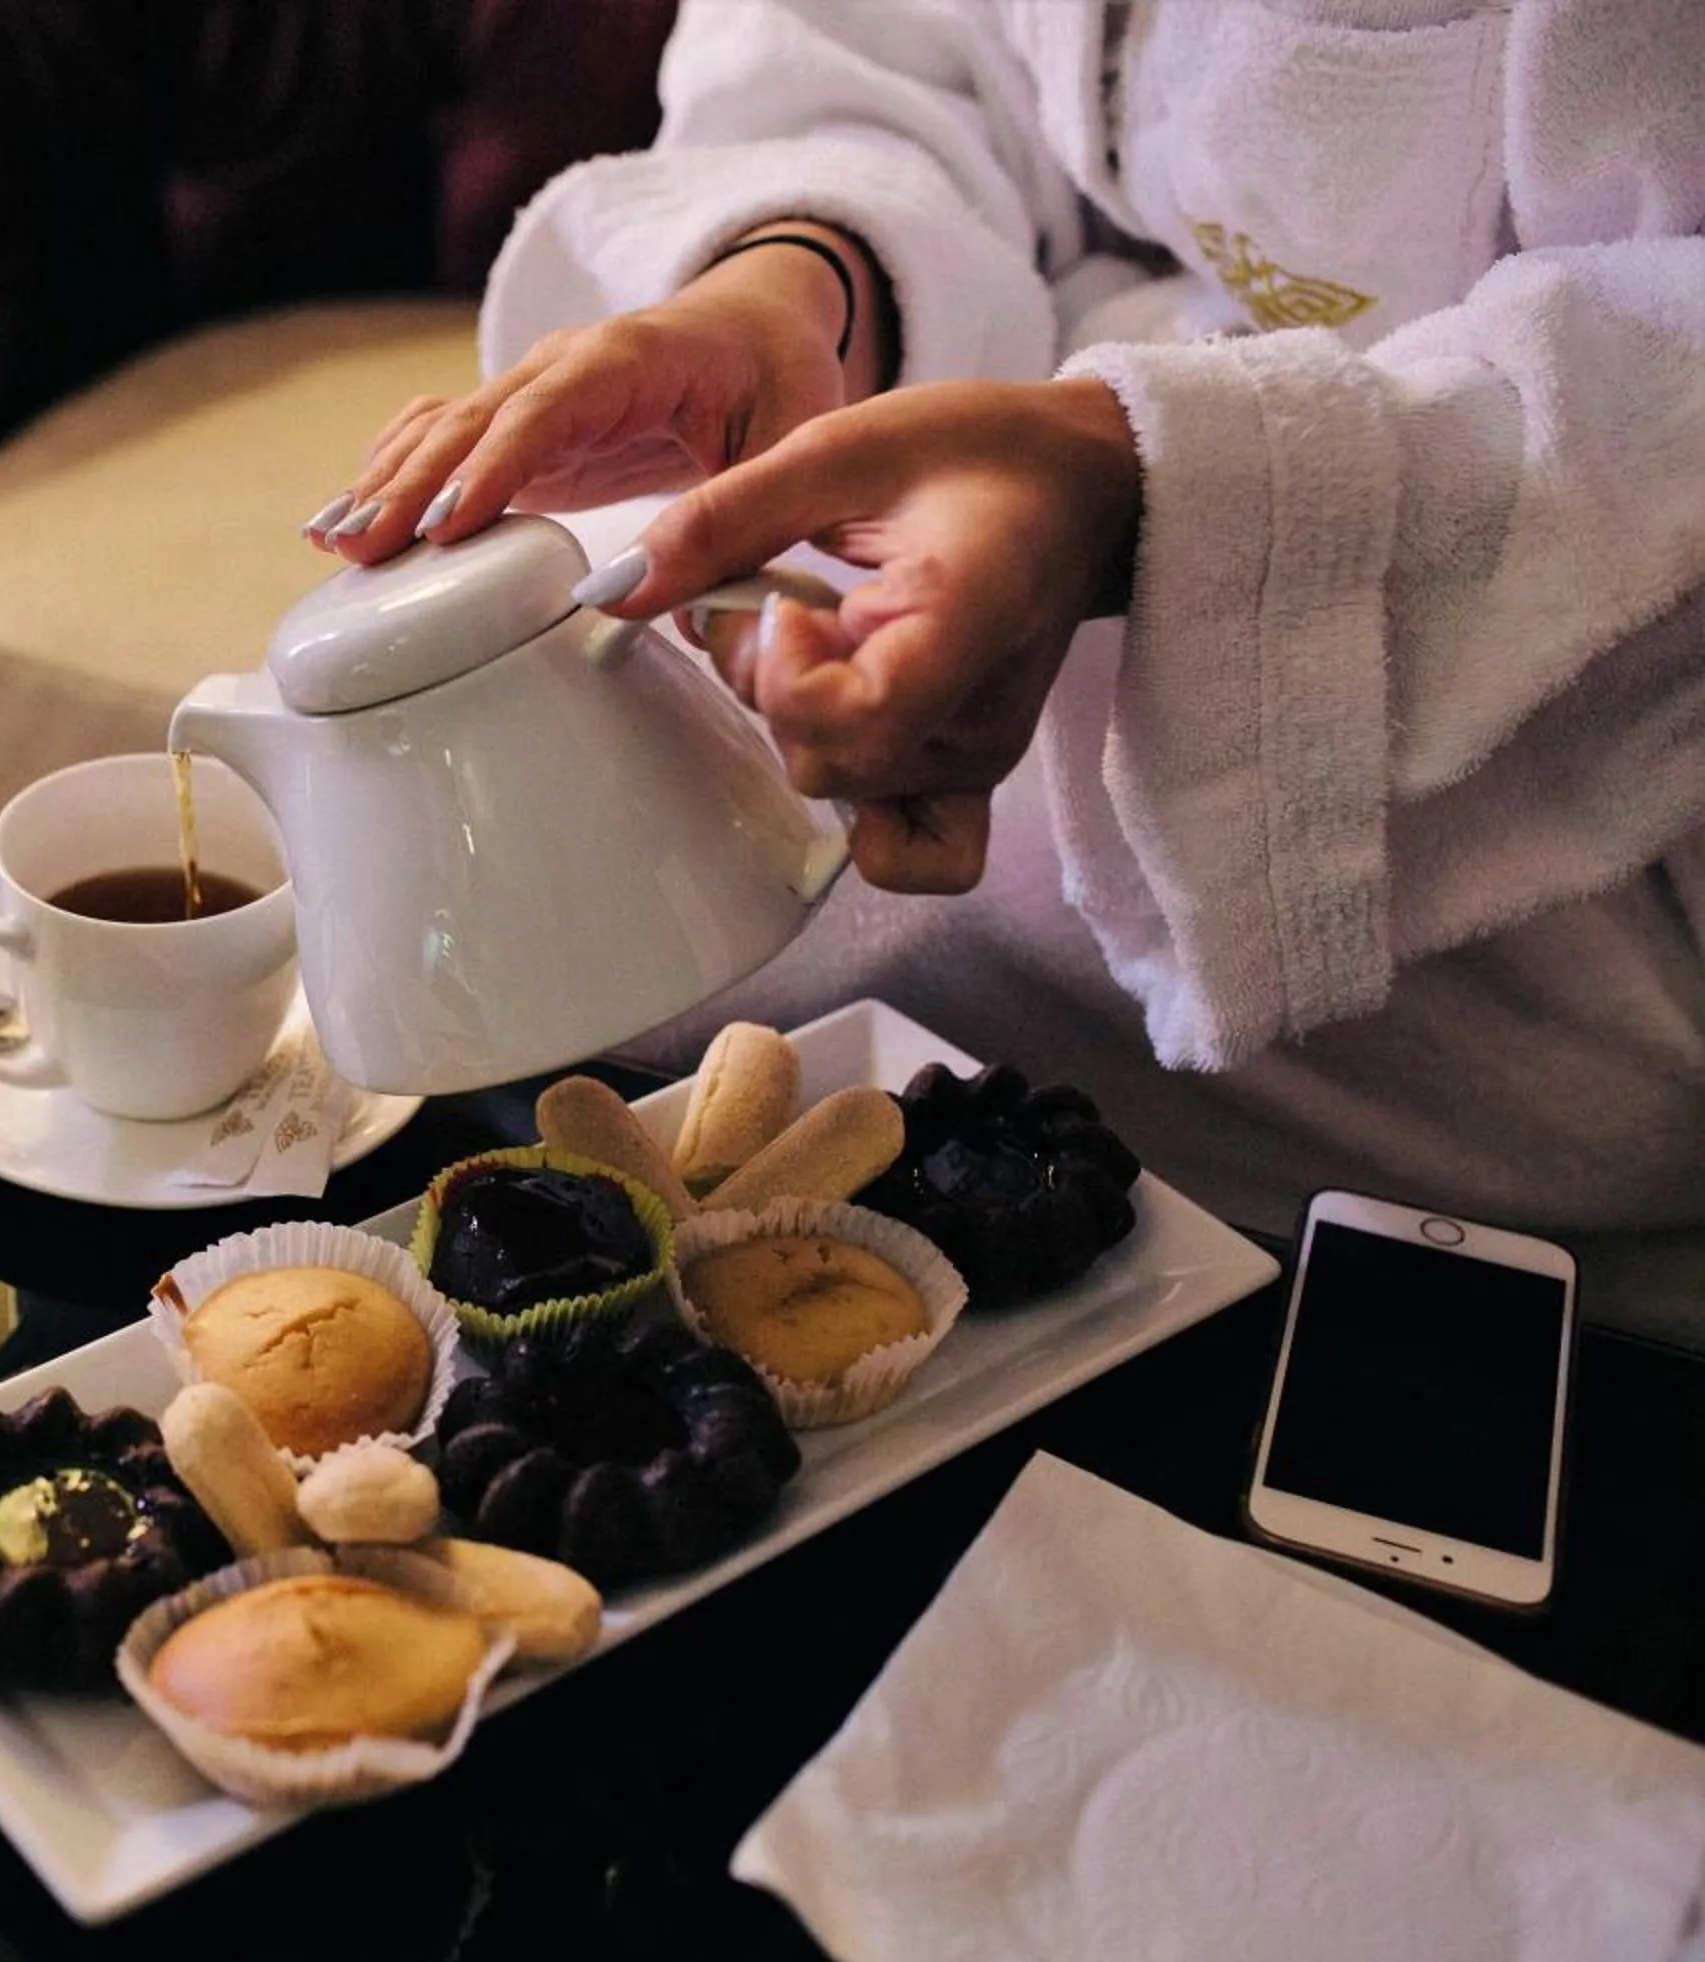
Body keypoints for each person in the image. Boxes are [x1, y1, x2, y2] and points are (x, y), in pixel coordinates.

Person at [309, 0, 1705, 1341]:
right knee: (497, 755)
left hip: (1565, 644)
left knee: (590, 900)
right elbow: (888, 37)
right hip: (1089, 403)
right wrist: (796, 283)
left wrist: (1155, 494)